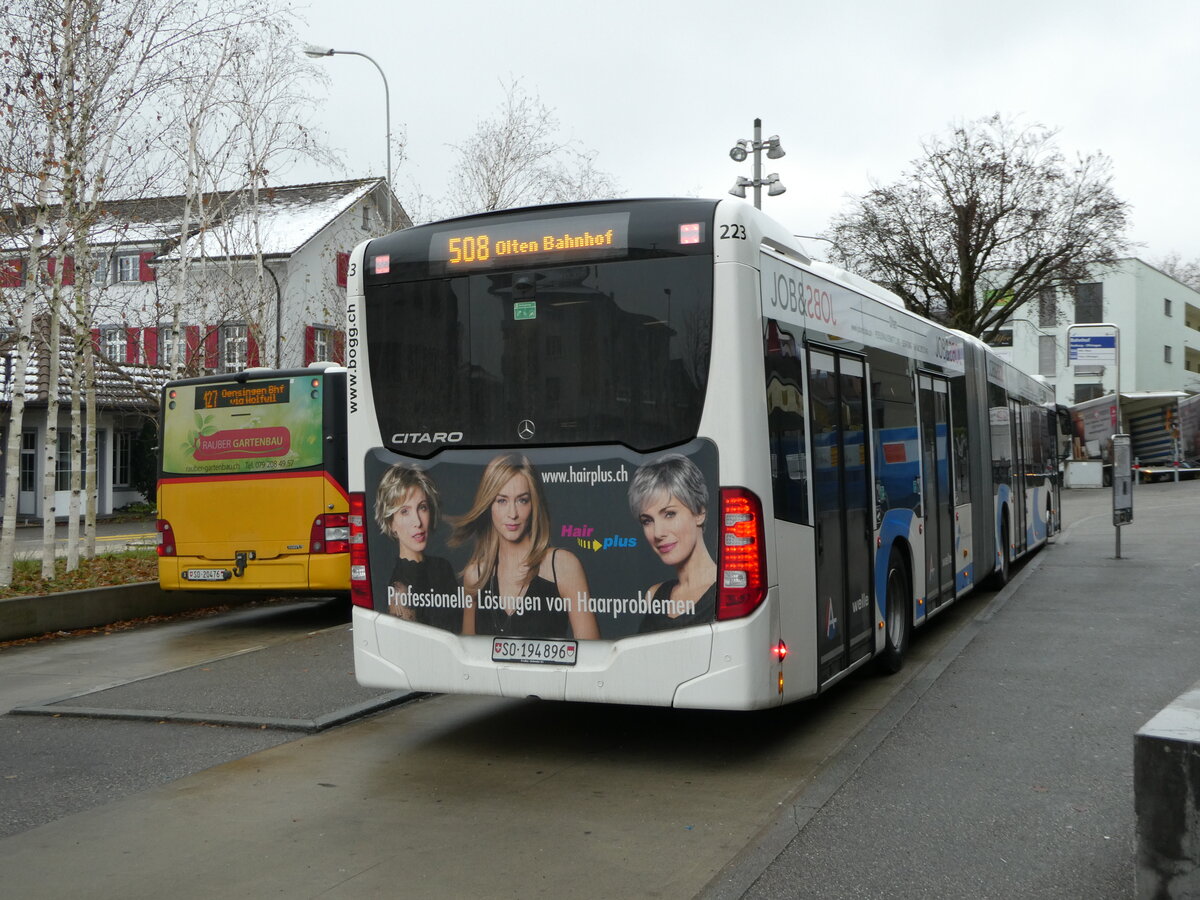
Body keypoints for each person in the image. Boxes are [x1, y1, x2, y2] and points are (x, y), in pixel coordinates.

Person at [451, 453, 599, 640]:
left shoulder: (562, 566)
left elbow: (591, 656)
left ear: (534, 504)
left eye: (522, 500)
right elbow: (468, 657)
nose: (512, 513)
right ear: (489, 505)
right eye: (502, 500)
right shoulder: (475, 576)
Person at [628, 454, 717, 633]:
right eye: (647, 521)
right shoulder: (654, 595)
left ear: (699, 512)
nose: (658, 533)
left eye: (669, 514)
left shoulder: (726, 592)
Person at [374, 463, 462, 633]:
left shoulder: (442, 567)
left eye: (422, 507)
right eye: (404, 511)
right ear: (391, 522)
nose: (418, 522)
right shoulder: (398, 587)